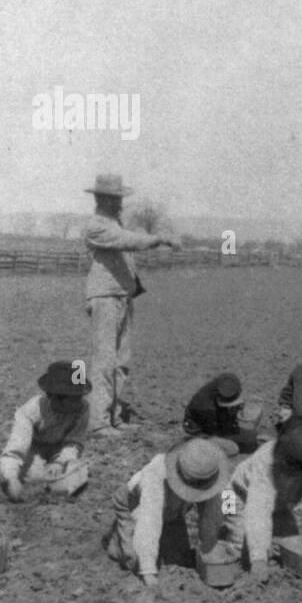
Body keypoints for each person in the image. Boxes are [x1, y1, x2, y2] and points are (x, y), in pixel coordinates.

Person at [82, 173, 181, 434]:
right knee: (105, 361)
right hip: (105, 298)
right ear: (100, 198)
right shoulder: (97, 227)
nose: (120, 204)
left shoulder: (115, 225)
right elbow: (131, 241)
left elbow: (130, 240)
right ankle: (98, 422)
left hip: (122, 297)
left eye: (120, 199)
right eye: (115, 199)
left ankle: (113, 418)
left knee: (121, 361)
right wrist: (159, 238)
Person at [102, 436, 234, 587]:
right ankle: (116, 539)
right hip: (135, 506)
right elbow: (149, 520)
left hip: (174, 512)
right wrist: (148, 572)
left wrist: (221, 539)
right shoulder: (155, 475)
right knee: (135, 562)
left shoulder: (211, 470)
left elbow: (228, 501)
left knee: (181, 559)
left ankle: (167, 533)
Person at [224, 420, 302, 581]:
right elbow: (258, 508)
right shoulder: (266, 461)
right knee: (242, 550)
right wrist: (258, 559)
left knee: (289, 548)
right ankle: (228, 534)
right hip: (232, 496)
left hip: (278, 504)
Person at [0, 360, 92, 500]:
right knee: (32, 478)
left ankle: (54, 486)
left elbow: (74, 442)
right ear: (53, 396)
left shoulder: (83, 407)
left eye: (79, 396)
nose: (77, 401)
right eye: (72, 398)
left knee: (79, 473)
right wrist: (11, 475)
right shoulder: (32, 409)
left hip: (58, 450)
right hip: (34, 449)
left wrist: (60, 462)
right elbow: (16, 449)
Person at [183, 372, 259, 454]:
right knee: (233, 449)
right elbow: (215, 431)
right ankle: (197, 443)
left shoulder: (225, 381)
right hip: (200, 429)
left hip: (213, 419)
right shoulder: (205, 407)